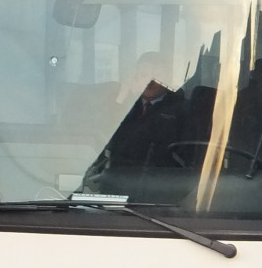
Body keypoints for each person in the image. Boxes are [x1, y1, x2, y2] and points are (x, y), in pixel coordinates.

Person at [78, 51, 187, 191]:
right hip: (116, 186)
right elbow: (104, 137)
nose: (150, 82)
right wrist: (122, 97)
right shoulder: (125, 106)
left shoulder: (180, 110)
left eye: (157, 76)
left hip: (159, 190)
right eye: (143, 75)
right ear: (135, 77)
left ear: (167, 78)